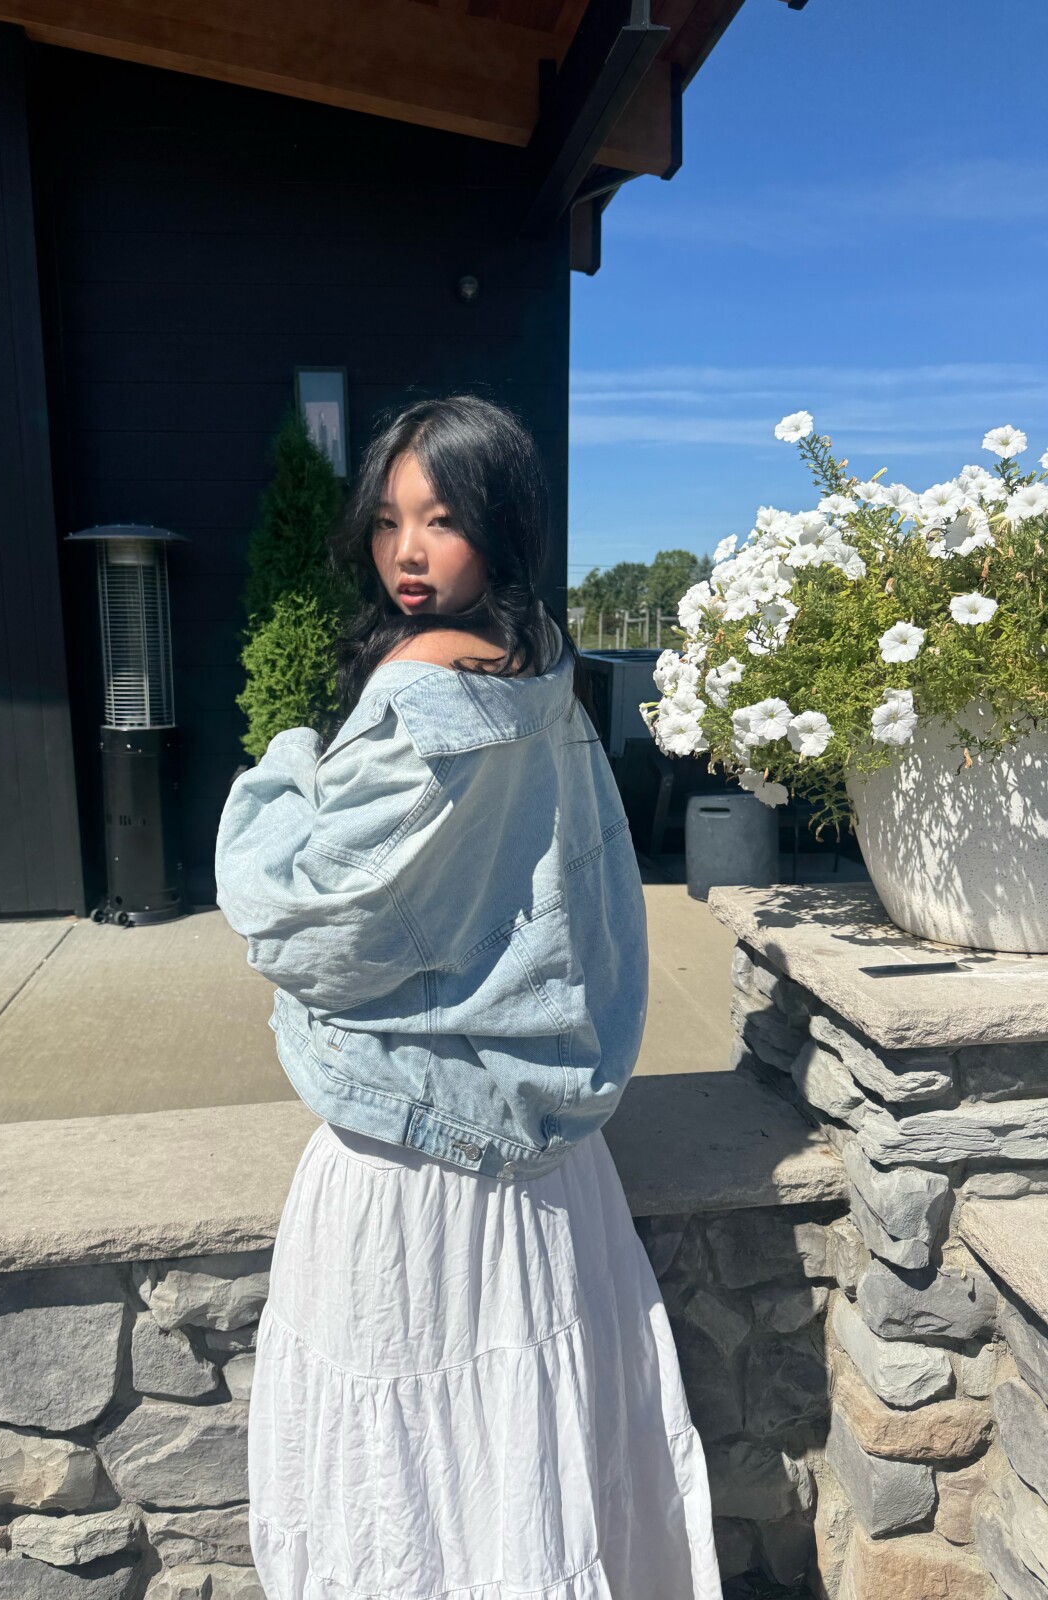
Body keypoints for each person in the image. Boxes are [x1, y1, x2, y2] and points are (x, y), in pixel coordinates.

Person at [214, 395, 721, 1600]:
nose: (407, 552)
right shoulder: (541, 659)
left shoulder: (424, 678)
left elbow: (307, 922)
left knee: (405, 1480)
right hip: (545, 1173)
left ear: (499, 522)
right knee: (525, 1464)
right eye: (390, 519)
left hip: (413, 1164)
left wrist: (285, 764)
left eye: (441, 520)